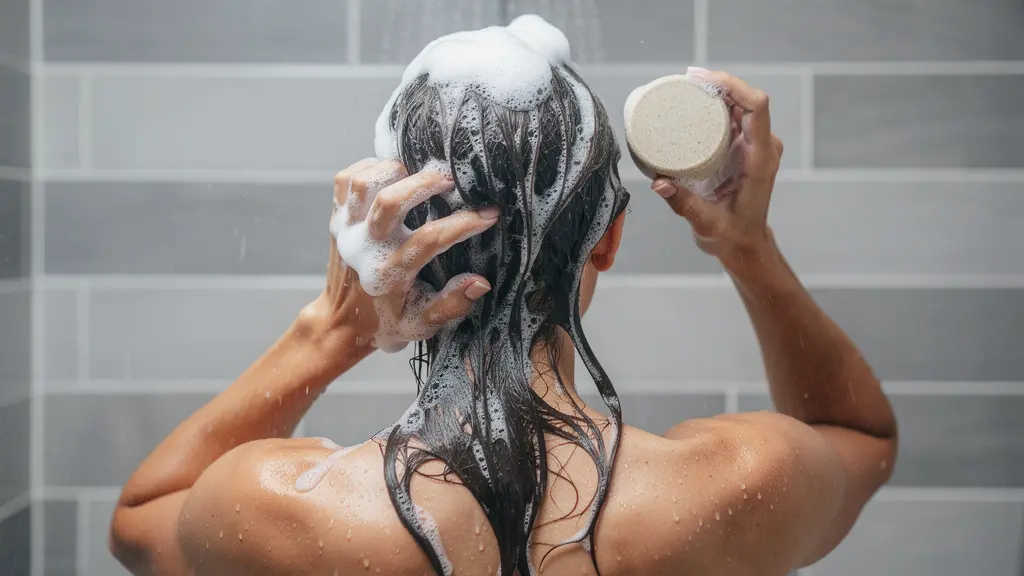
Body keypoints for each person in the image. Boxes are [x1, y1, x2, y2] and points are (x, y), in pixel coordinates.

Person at [109, 36, 898, 576]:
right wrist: (746, 246)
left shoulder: (282, 511)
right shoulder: (726, 490)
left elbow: (139, 520)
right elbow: (859, 435)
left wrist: (334, 330)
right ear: (607, 238)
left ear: (396, 248)